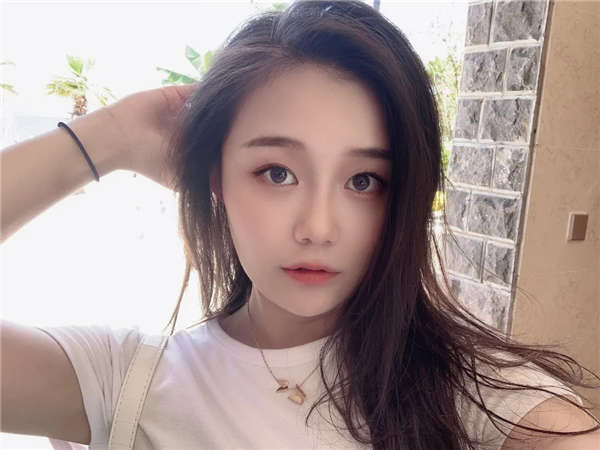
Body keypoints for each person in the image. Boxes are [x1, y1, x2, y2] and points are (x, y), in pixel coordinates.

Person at [1, 1, 599, 449]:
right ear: (216, 178)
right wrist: (113, 137)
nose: (318, 228)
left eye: (364, 181)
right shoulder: (124, 380)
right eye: (277, 173)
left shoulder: (476, 396)